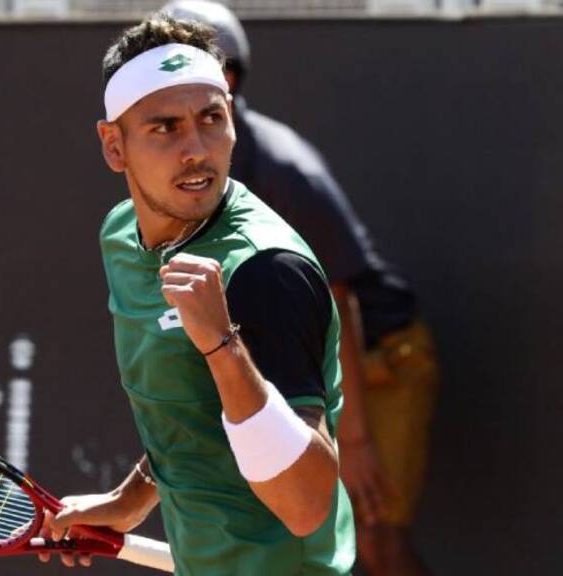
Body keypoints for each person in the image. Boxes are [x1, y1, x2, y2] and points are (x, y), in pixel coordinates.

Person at [38, 14, 355, 576]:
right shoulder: (122, 236)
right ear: (114, 146)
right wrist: (131, 500)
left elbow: (308, 504)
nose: (196, 150)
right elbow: (190, 412)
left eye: (212, 119)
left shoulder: (264, 272)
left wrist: (222, 347)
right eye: (165, 128)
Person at [160, 3, 440, 575]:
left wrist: (356, 441)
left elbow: (341, 299)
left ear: (229, 82)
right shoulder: (178, 178)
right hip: (295, 366)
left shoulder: (285, 173)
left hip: (379, 359)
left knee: (375, 535)